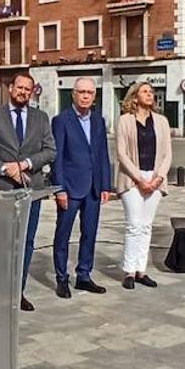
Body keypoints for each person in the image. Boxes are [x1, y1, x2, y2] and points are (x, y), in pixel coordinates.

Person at [0, 72, 55, 312]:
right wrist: (4, 169)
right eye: (19, 87)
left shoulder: (41, 118)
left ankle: (17, 291)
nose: (23, 92)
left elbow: (50, 151)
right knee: (1, 243)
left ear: (32, 92)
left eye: (27, 89)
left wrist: (24, 165)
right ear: (11, 89)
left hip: (31, 189)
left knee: (26, 242)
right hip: (1, 190)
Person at [50, 77, 113, 299]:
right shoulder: (61, 120)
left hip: (94, 188)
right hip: (70, 187)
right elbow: (56, 158)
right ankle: (62, 278)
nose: (85, 96)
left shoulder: (98, 121)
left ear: (94, 96)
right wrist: (59, 189)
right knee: (63, 235)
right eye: (81, 92)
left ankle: (83, 276)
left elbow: (103, 154)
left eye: (89, 92)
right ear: (73, 94)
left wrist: (106, 184)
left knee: (90, 233)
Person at [115, 81, 171, 289]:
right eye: (145, 91)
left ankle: (141, 270)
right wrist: (140, 179)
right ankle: (129, 271)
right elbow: (122, 153)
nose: (150, 95)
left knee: (146, 226)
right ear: (134, 97)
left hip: (155, 179)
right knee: (133, 225)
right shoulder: (125, 121)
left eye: (152, 92)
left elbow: (167, 154)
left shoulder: (162, 121)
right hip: (132, 179)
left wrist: (158, 179)